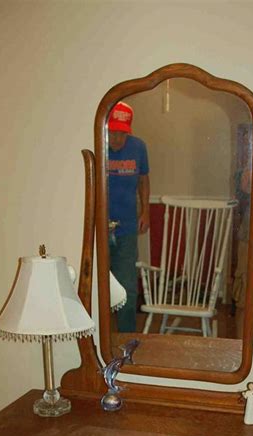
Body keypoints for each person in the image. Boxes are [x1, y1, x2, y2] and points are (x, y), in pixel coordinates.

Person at [107, 101, 150, 332]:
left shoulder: (139, 147)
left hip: (127, 227)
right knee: (98, 284)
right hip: (99, 228)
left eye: (121, 133)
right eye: (112, 132)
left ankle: (126, 339)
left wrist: (145, 210)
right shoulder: (97, 144)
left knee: (127, 287)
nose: (116, 139)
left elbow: (143, 180)